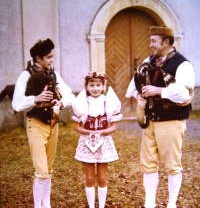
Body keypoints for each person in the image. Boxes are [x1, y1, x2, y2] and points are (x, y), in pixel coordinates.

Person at [126, 26, 195, 208]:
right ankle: (150, 203)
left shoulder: (182, 64)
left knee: (172, 165)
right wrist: (140, 95)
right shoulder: (148, 61)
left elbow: (185, 95)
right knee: (148, 164)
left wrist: (159, 90)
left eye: (154, 41)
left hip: (171, 122)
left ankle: (171, 204)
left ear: (166, 42)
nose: (150, 45)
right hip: (150, 121)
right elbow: (132, 87)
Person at [12, 38, 75, 208]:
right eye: (49, 57)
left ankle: (46, 205)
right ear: (38, 58)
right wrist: (36, 98)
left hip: (52, 124)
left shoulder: (53, 74)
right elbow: (17, 103)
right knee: (41, 171)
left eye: (52, 56)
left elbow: (70, 95)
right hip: (35, 123)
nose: (52, 60)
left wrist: (60, 102)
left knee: (49, 169)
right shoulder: (26, 75)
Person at [72, 72, 123, 208]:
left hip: (103, 141)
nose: (95, 88)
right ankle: (91, 206)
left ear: (103, 86)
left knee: (101, 178)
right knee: (89, 178)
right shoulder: (82, 103)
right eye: (92, 85)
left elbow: (114, 126)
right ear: (87, 87)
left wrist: (102, 132)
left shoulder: (108, 102)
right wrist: (89, 132)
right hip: (87, 142)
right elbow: (76, 126)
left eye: (98, 85)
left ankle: (101, 205)